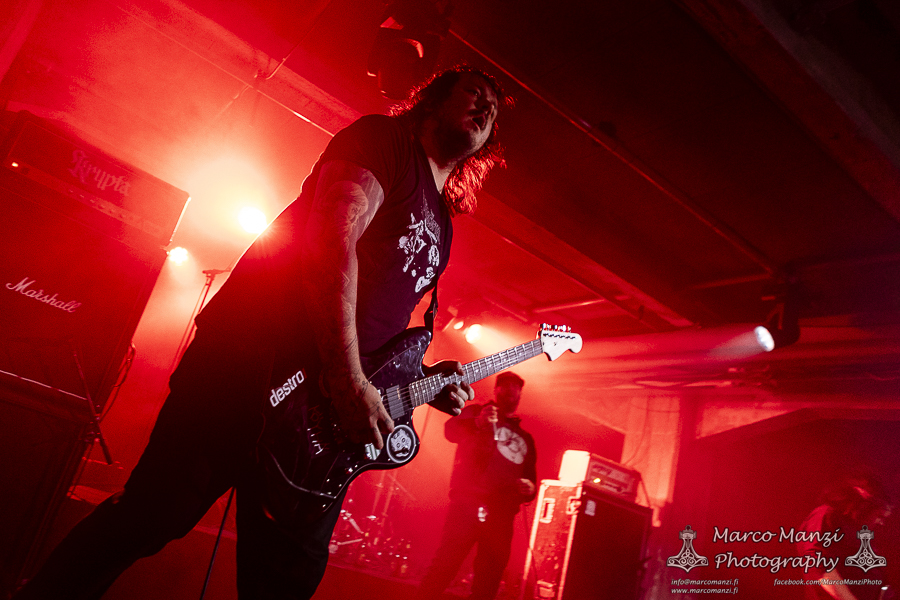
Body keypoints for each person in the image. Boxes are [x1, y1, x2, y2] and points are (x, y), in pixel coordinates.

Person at [13, 65, 512, 600]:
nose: (485, 109)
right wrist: (347, 380)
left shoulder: (442, 222)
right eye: (474, 93)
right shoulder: (383, 140)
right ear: (432, 99)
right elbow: (330, 244)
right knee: (151, 515)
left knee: (284, 579)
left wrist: (423, 378)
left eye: (493, 111)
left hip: (321, 421)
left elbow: (381, 326)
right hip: (248, 365)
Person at [416, 371, 537, 600]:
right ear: (496, 390)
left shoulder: (525, 439)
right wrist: (478, 422)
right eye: (505, 385)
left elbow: (531, 481)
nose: (511, 390)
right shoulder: (477, 413)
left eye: (516, 387)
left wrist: (529, 489)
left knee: (489, 579)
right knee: (445, 565)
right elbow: (450, 431)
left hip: (501, 515)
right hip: (467, 504)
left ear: (521, 394)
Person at [796, 471, 893, 600]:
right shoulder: (826, 516)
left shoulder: (857, 531)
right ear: (865, 505)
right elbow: (817, 563)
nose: (881, 522)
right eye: (880, 515)